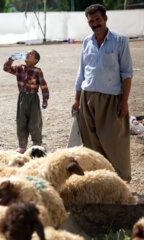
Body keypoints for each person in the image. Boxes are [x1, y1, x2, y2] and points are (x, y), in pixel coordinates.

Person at [71, 4, 133, 182]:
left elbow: (127, 73)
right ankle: (100, 181)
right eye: (91, 21)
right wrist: (77, 99)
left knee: (115, 142)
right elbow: (81, 71)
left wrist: (124, 101)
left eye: (98, 20)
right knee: (91, 143)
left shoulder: (120, 41)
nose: (95, 24)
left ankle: (121, 181)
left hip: (111, 99)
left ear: (105, 19)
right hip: (87, 97)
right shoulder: (87, 42)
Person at [3, 49, 49, 154]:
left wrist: (45, 99)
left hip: (33, 99)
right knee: (21, 121)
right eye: (27, 53)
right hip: (22, 98)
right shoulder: (19, 68)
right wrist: (11, 59)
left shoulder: (37, 71)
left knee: (35, 122)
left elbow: (43, 85)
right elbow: (6, 68)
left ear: (35, 60)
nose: (28, 54)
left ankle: (37, 145)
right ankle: (22, 145)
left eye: (31, 54)